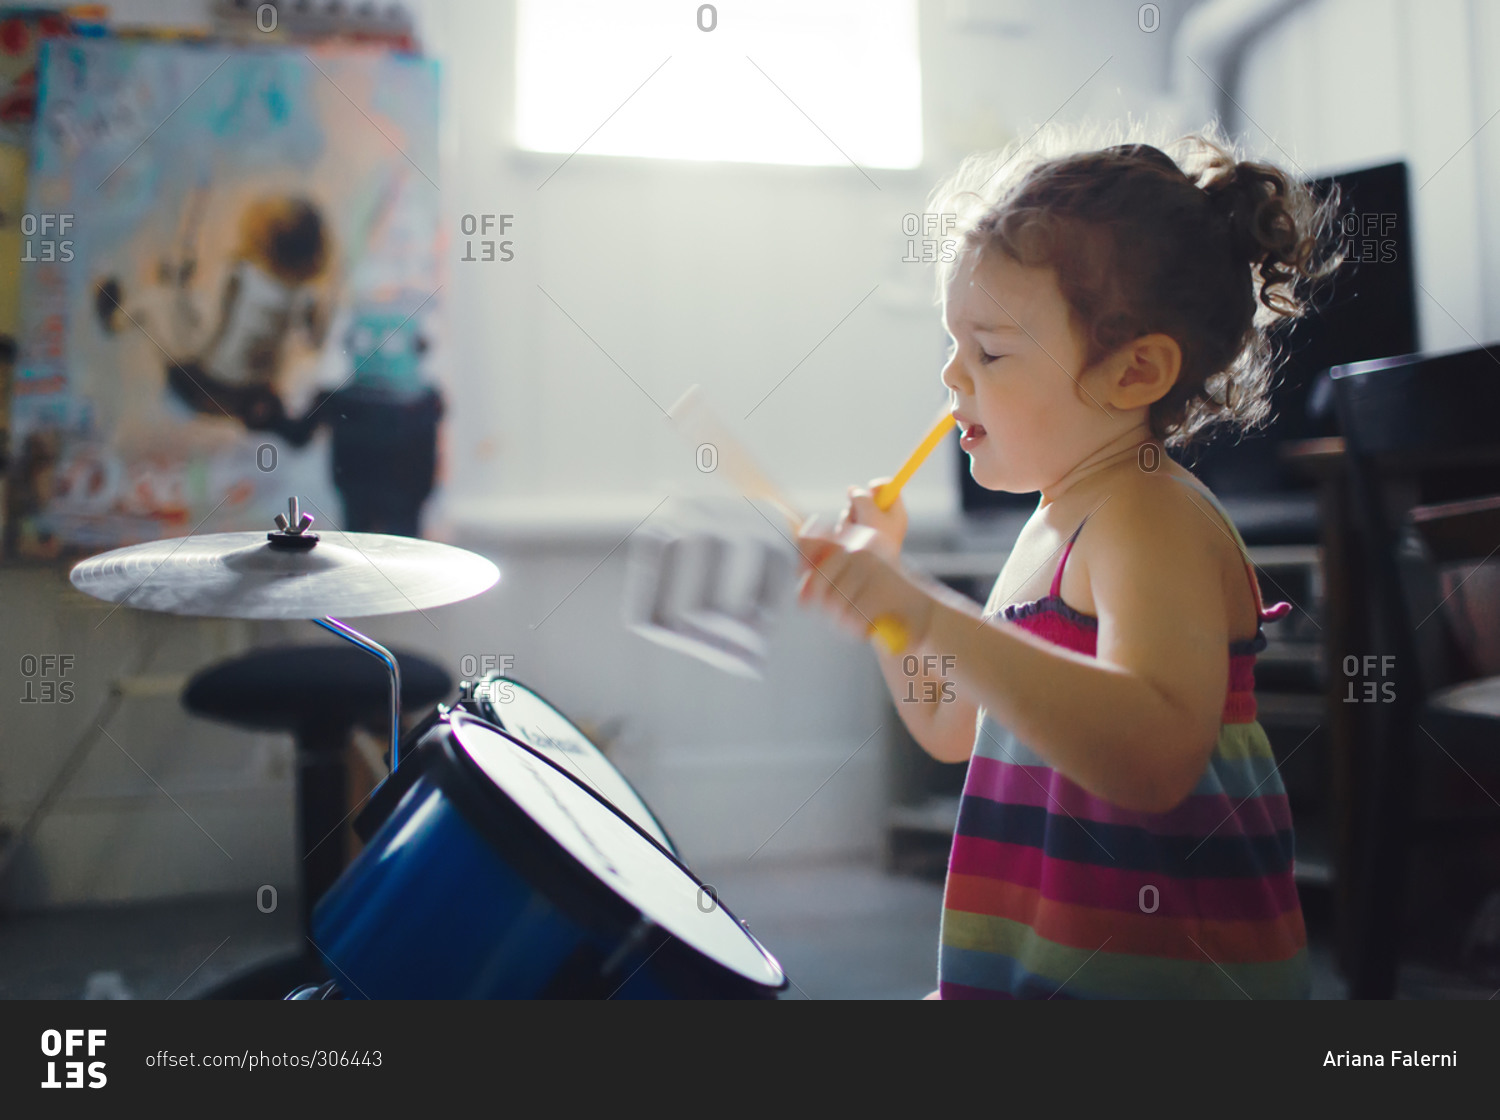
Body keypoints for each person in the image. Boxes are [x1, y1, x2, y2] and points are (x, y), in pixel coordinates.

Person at [796, 126, 1340, 998]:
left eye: (992, 351)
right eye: (952, 343)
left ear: (1134, 374)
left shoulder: (1146, 515)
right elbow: (951, 729)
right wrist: (890, 607)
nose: (953, 375)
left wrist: (932, 612)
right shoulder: (1050, 529)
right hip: (1041, 968)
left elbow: (1154, 756)